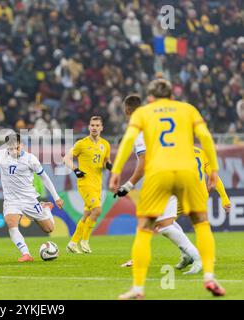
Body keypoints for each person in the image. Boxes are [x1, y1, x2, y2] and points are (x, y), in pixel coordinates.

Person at [109, 79, 226, 299]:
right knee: (201, 222)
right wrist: (215, 169)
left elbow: (127, 141)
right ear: (172, 95)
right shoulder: (187, 109)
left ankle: (138, 288)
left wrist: (116, 172)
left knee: (145, 228)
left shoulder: (144, 114)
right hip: (187, 171)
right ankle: (209, 276)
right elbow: (206, 138)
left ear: (151, 97)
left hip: (159, 173)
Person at [0, 133, 64, 262]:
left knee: (49, 228)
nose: (14, 151)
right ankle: (26, 254)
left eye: (17, 147)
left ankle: (46, 208)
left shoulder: (31, 159)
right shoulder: (1, 154)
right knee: (11, 224)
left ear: (22, 145)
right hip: (11, 200)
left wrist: (56, 197)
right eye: (11, 148)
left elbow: (45, 178)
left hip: (29, 199)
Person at [63, 116, 112, 254]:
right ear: (89, 127)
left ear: (101, 127)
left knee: (87, 215)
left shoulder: (105, 144)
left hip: (98, 184)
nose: (94, 128)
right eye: (92, 125)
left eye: (97, 125)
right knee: (97, 210)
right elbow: (66, 158)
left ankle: (73, 243)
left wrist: (109, 166)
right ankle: (85, 240)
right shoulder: (82, 144)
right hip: (85, 183)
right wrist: (76, 170)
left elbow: (105, 162)